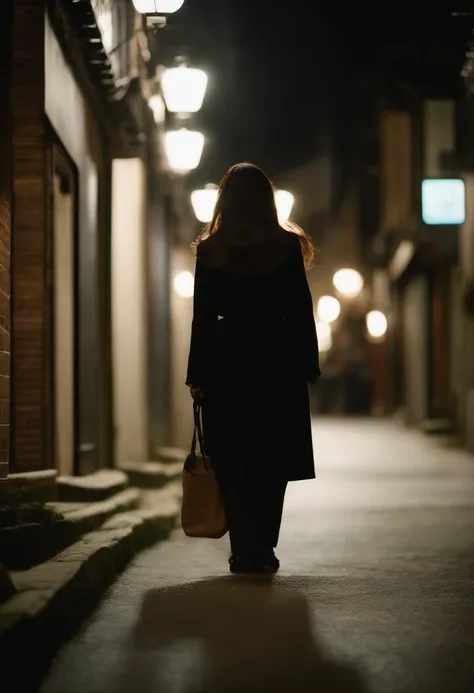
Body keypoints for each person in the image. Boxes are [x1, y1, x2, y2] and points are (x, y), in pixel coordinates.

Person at [185, 162, 320, 575]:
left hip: (226, 360)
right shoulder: (285, 246)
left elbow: (203, 317)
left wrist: (196, 374)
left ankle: (243, 547)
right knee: (272, 456)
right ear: (268, 200)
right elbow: (300, 310)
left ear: (225, 199)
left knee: (232, 456)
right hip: (276, 359)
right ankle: (264, 545)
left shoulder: (212, 250)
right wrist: (308, 363)